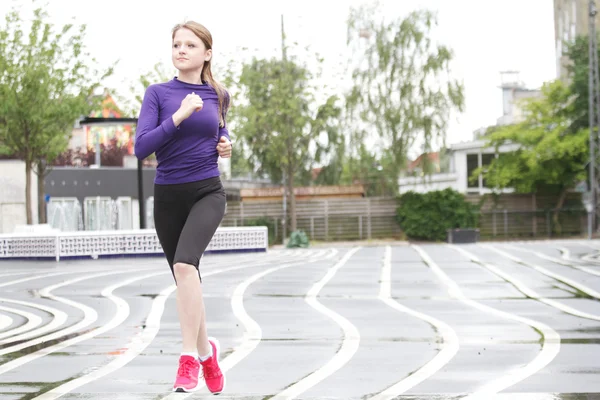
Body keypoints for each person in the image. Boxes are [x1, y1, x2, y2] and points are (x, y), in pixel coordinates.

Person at [134, 20, 232, 394]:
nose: (181, 50)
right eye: (177, 44)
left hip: (207, 191)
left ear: (206, 53)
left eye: (190, 45)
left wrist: (226, 143)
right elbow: (142, 148)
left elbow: (219, 131)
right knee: (186, 278)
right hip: (169, 195)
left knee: (184, 265)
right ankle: (208, 353)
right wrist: (178, 116)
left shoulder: (218, 94)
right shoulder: (158, 93)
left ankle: (188, 358)